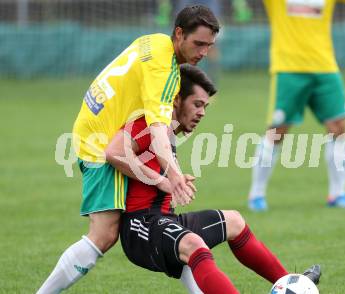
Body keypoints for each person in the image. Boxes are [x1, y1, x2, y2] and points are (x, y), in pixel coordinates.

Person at [37, 6, 220, 293]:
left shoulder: (155, 41)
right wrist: (171, 176)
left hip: (98, 127)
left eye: (209, 45)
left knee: (169, 225)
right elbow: (158, 131)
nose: (204, 52)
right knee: (104, 234)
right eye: (198, 44)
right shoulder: (164, 70)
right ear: (179, 34)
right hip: (101, 143)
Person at [105, 64, 321, 293]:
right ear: (177, 100)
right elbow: (114, 152)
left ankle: (291, 283)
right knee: (194, 245)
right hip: (141, 227)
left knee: (235, 221)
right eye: (197, 104)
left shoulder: (170, 129)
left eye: (205, 107)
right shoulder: (150, 123)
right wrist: (161, 181)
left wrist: (173, 180)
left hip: (165, 220)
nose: (202, 113)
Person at [248, 0, 345, 212]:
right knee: (277, 131)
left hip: (325, 66)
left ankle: (338, 194)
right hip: (288, 68)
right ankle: (256, 195)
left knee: (339, 126)